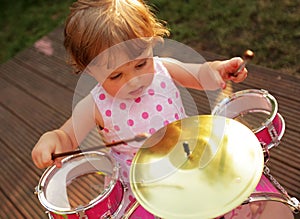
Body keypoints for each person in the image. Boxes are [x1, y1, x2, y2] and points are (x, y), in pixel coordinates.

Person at [31, 0, 249, 218]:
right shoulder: (94, 105)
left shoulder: (165, 68)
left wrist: (218, 71)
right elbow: (67, 138)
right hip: (141, 189)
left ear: (152, 42)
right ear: (89, 71)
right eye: (116, 75)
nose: (133, 82)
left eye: (140, 64)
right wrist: (52, 140)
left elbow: (200, 76)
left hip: (186, 162)